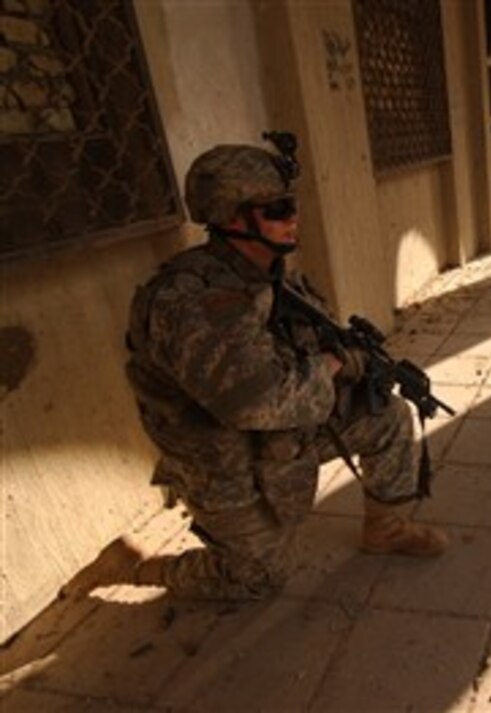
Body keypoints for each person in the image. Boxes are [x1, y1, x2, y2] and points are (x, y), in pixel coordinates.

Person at [120, 135, 448, 600]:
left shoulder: (266, 275)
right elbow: (255, 403)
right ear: (232, 218)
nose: (292, 217)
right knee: (258, 578)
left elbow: (296, 352)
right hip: (220, 456)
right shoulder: (192, 301)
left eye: (290, 204)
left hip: (279, 432)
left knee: (386, 416)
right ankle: (137, 567)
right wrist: (335, 364)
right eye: (276, 210)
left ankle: (386, 530)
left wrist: (353, 360)